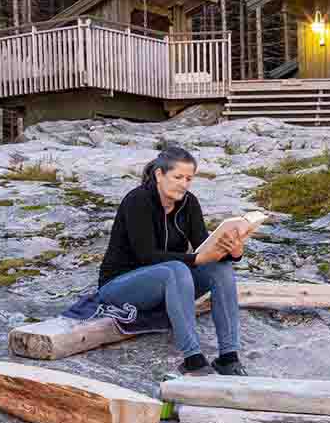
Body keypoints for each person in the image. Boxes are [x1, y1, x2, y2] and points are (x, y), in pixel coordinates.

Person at [97, 145, 248, 377]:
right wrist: (197, 258)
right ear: (159, 175)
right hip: (120, 287)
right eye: (178, 177)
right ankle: (193, 359)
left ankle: (228, 357)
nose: (184, 184)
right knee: (176, 269)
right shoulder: (137, 200)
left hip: (170, 284)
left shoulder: (189, 203)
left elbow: (203, 246)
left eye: (189, 178)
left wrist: (234, 252)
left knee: (221, 268)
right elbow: (146, 256)